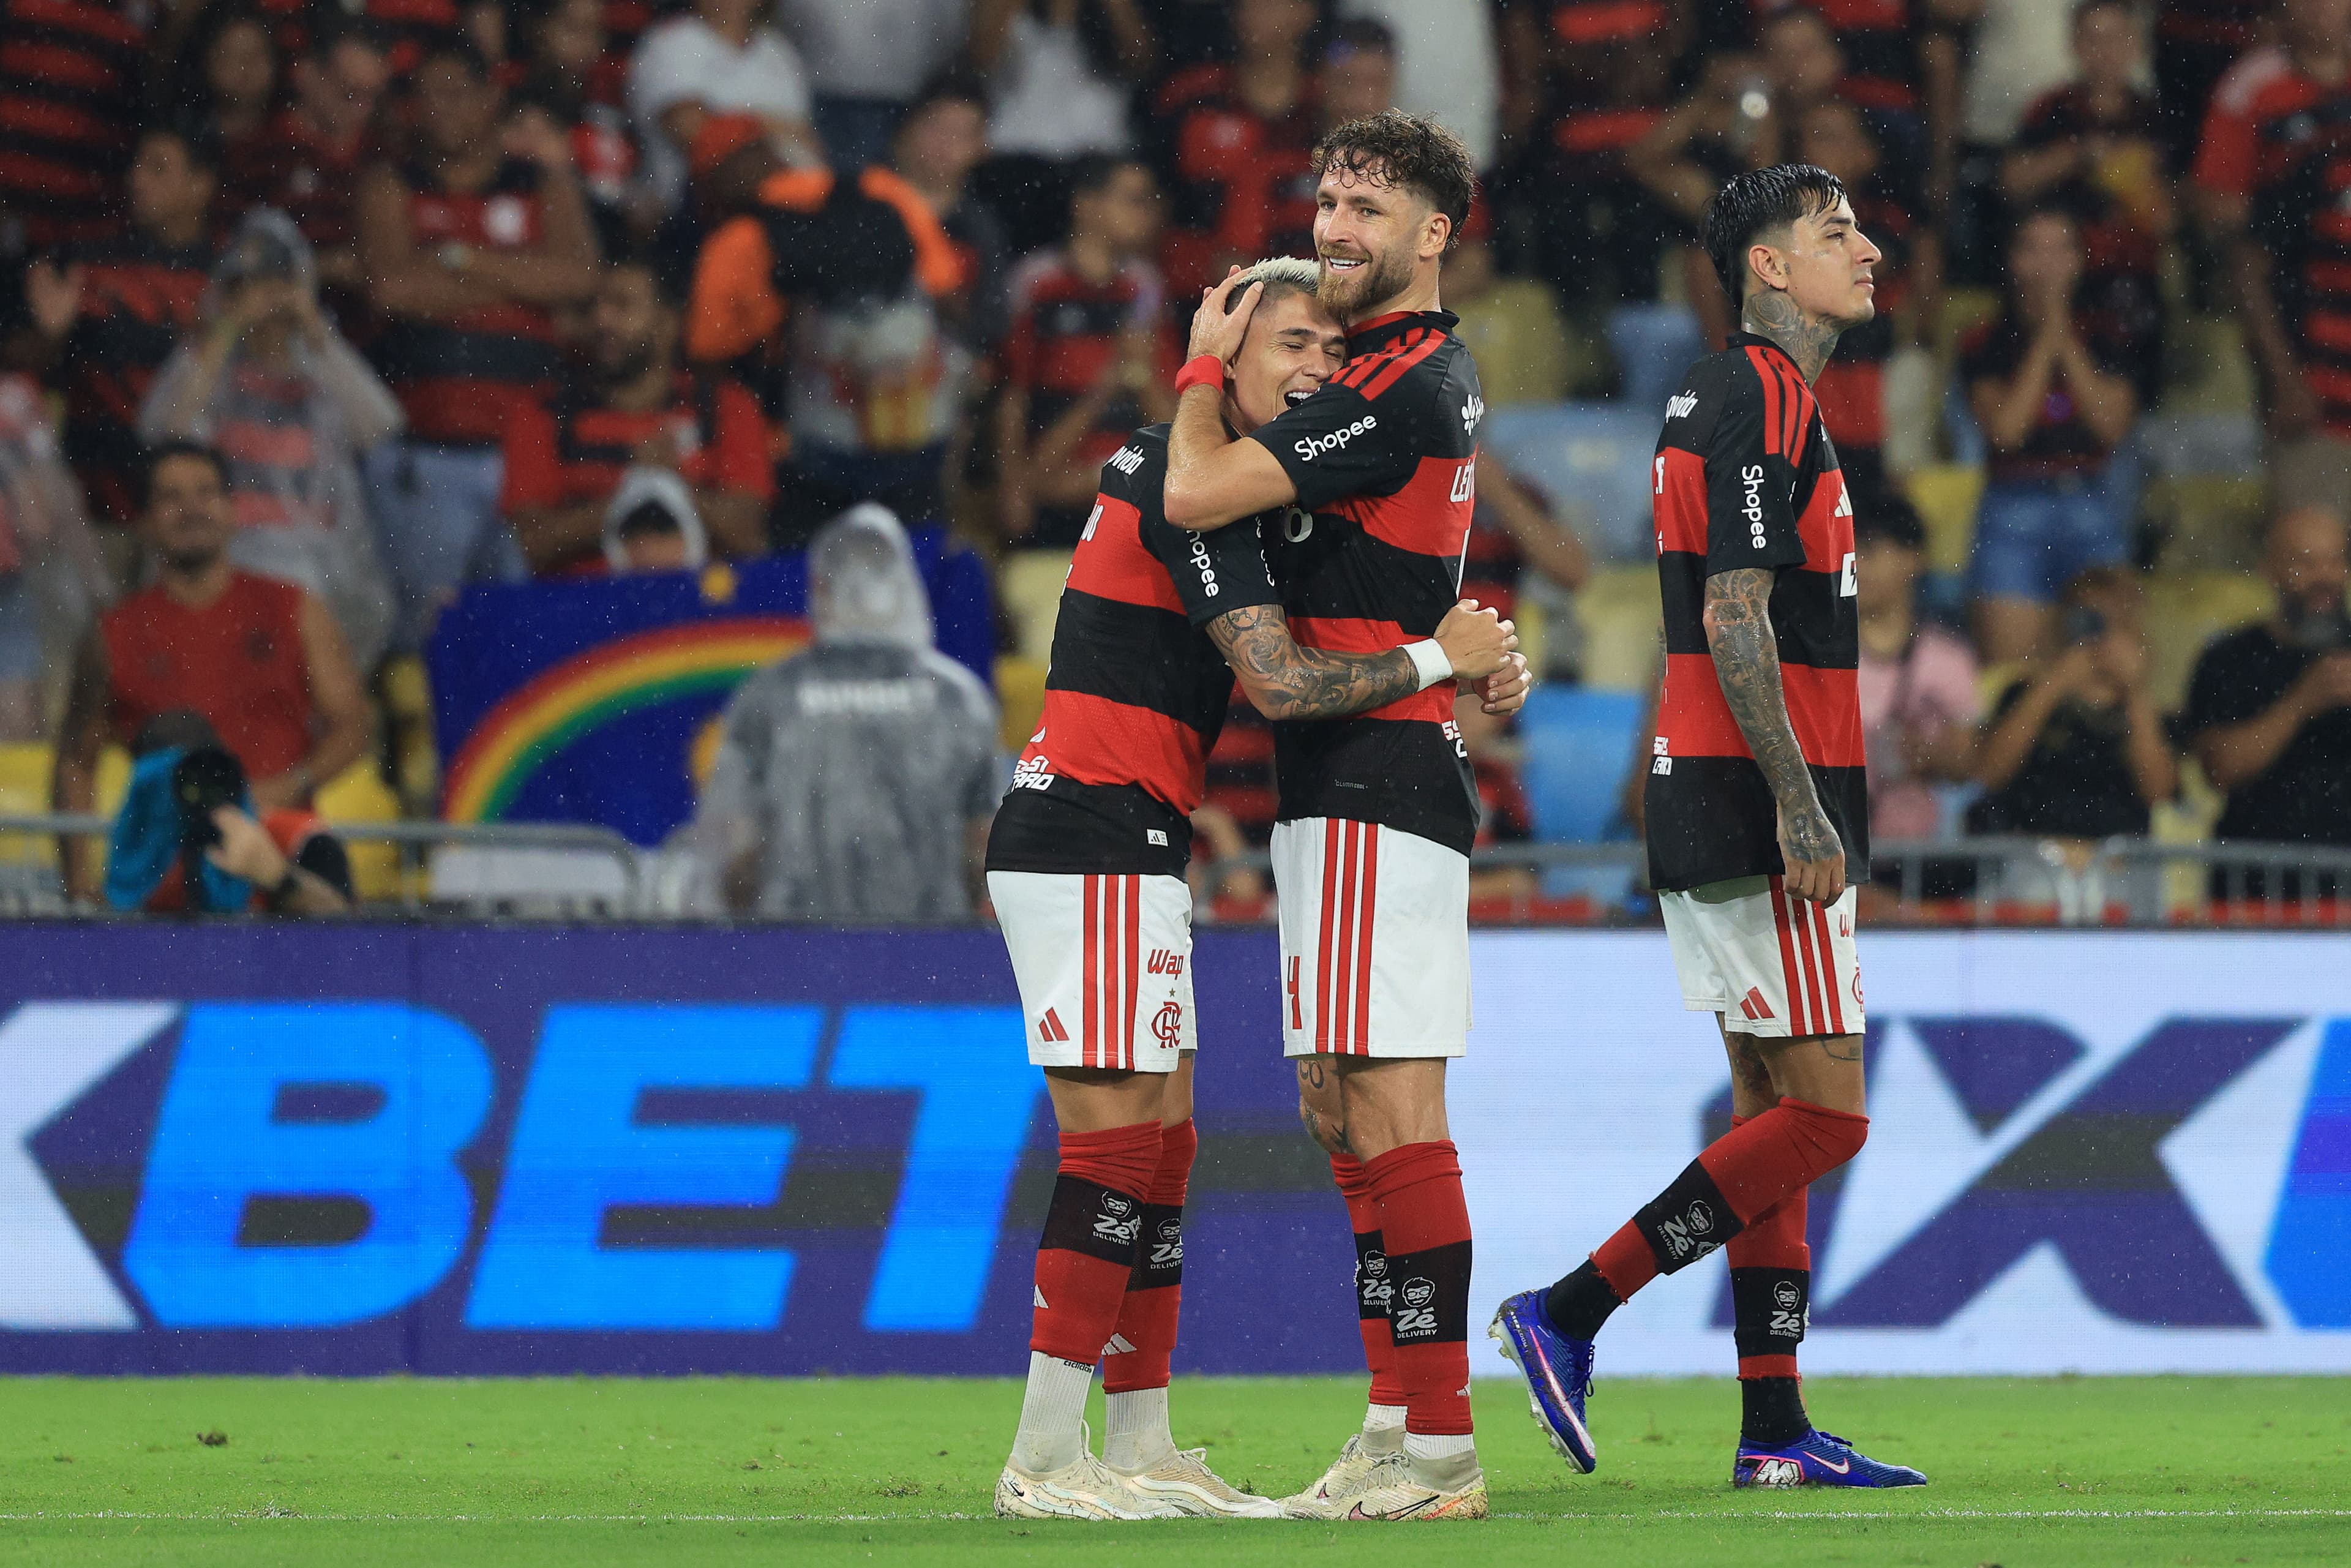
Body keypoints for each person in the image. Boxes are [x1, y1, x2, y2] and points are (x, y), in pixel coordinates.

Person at [984, 256, 1523, 1521]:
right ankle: (1046, 1455)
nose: (1317, 371)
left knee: (1164, 1141)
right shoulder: (1185, 487)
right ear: (1218, 352)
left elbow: (1358, 604)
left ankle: (1144, 1437)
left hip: (1132, 835)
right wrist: (1436, 654)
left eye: (1331, 354)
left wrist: (1468, 660)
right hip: (1091, 826)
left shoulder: (1231, 493)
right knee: (1116, 1144)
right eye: (1290, 345)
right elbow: (1283, 683)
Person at [1490, 163, 1927, 1491]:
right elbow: (1736, 610)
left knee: (1767, 1114)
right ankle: (1570, 1306)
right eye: (1832, 231)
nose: (1863, 245)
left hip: (1735, 783)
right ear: (1767, 269)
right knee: (1830, 1115)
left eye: (1861, 220)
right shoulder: (1754, 391)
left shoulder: (1749, 394)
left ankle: (1774, 1425)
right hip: (1760, 795)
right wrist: (1802, 800)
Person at [1161, 109, 1502, 1521]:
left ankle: (1438, 1444)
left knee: (1391, 1104)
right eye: (1326, 201)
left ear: (1432, 235)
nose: (1335, 228)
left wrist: (1197, 356)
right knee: (1337, 1108)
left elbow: (1193, 484)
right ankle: (1389, 1415)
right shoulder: (1366, 369)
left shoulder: (1410, 377)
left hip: (1375, 764)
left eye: (1367, 208)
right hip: (1341, 776)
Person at [355, 39, 602, 649]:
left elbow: (578, 276)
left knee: (531, 637)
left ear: (492, 99)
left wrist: (461, 261)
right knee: (423, 639)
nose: (442, 109)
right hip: (423, 454)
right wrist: (523, 279)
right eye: (428, 95)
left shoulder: (542, 182)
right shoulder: (390, 184)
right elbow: (392, 290)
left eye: (457, 93)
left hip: (527, 457)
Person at [53, 443, 372, 907]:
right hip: (165, 888)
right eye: (171, 497)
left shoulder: (294, 608)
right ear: (143, 522)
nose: (192, 509)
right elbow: (75, 761)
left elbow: (354, 726)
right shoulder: (112, 635)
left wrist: (288, 785)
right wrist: (81, 886)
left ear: (233, 511)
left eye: (207, 493)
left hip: (282, 867)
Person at [678, 505, 997, 920]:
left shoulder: (769, 696)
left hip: (798, 958)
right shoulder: (960, 700)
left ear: (819, 588)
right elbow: (986, 856)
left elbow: (730, 859)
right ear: (905, 585)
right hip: (926, 963)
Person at [140, 210, 403, 672]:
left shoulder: (323, 369)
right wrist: (227, 326)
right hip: (225, 561)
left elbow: (379, 425)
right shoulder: (210, 365)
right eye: (251, 286)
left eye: (278, 285)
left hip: (315, 571)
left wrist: (314, 328)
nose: (268, 300)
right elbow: (167, 430)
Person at [500, 260, 772, 575]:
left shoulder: (726, 406)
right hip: (584, 611)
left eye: (622, 306)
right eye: (594, 306)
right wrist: (637, 488)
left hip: (701, 613)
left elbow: (749, 536)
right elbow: (531, 544)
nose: (602, 320)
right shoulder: (543, 411)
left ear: (668, 324)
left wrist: (672, 482)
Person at [1962, 205, 2140, 665]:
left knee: (2108, 667)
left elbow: (2110, 425)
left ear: (2080, 260)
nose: (2048, 263)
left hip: (2095, 503)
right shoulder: (1985, 340)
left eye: (2061, 248)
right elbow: (2006, 430)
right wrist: (2048, 335)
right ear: (2013, 260)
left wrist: (2065, 333)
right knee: (2012, 675)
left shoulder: (2111, 335)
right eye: (2034, 249)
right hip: (2012, 509)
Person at [21, 124, 220, 530]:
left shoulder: (227, 277)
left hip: (195, 510)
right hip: (92, 503)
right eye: (138, 165)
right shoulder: (84, 263)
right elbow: (28, 370)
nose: (138, 179)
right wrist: (50, 333)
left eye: (158, 168)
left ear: (201, 184)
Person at [2199, 0, 2351, 524]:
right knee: (2315, 559)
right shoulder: (2310, 164)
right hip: (2321, 385)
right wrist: (2285, 377)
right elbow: (2243, 249)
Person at [994, 157, 1176, 579]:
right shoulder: (1038, 282)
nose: (1146, 214)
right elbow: (1013, 393)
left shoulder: (1145, 288)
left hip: (1134, 503)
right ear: (1086, 206)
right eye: (1133, 200)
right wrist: (1012, 482)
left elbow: (1170, 410)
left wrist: (1139, 372)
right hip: (1054, 494)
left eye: (1149, 201)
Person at [1967, 567, 2177, 910]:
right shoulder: (2025, 694)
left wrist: (2136, 691)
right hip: (2034, 866)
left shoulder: (2145, 711)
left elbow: (2159, 792)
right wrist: (2053, 684)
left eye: (2114, 620)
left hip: (2120, 871)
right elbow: (1990, 772)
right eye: (2089, 618)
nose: (2098, 633)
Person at [2182, 505, 2351, 897]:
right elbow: (2220, 771)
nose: (2324, 578)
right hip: (2258, 886)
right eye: (2305, 564)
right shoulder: (2229, 658)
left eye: (2336, 562)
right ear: (2269, 571)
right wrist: (2300, 703)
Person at [105, 711, 354, 917]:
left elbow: (353, 940)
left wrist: (280, 878)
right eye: (173, 782)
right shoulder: (133, 849)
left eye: (204, 777)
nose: (192, 795)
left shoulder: (298, 839)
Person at [1853, 491, 1979, 864]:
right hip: (1835, 856)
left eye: (1870, 551)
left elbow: (1969, 765)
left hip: (1920, 860)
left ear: (1914, 559)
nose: (1855, 564)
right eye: (1850, 550)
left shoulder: (1949, 660)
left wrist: (1929, 756)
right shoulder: (1818, 657)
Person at [627, 0, 822, 216]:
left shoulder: (778, 51)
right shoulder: (671, 41)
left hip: (784, 207)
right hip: (693, 212)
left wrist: (745, 125)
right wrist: (771, 126)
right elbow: (698, 134)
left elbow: (809, 144)